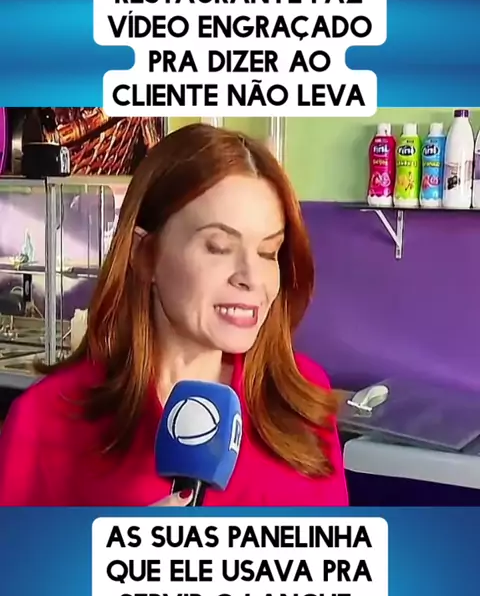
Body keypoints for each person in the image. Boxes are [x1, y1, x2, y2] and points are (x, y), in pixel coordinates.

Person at [0, 123, 349, 507]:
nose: (252, 278)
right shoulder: (45, 419)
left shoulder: (302, 399)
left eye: (268, 253)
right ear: (145, 254)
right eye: (218, 247)